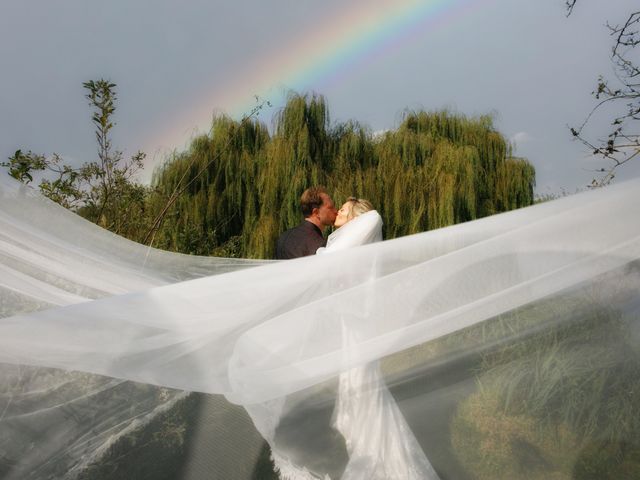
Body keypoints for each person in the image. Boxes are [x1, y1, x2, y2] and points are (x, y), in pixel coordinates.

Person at [317, 197, 440, 480]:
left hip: (359, 329)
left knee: (362, 391)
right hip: (350, 326)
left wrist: (357, 211)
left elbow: (373, 217)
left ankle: (372, 463)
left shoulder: (370, 223)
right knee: (355, 392)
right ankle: (369, 457)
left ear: (357, 217)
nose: (338, 212)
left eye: (345, 210)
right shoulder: (348, 244)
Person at [275, 186, 337, 259]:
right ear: (316, 212)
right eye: (331, 207)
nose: (336, 211)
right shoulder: (320, 247)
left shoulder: (283, 237)